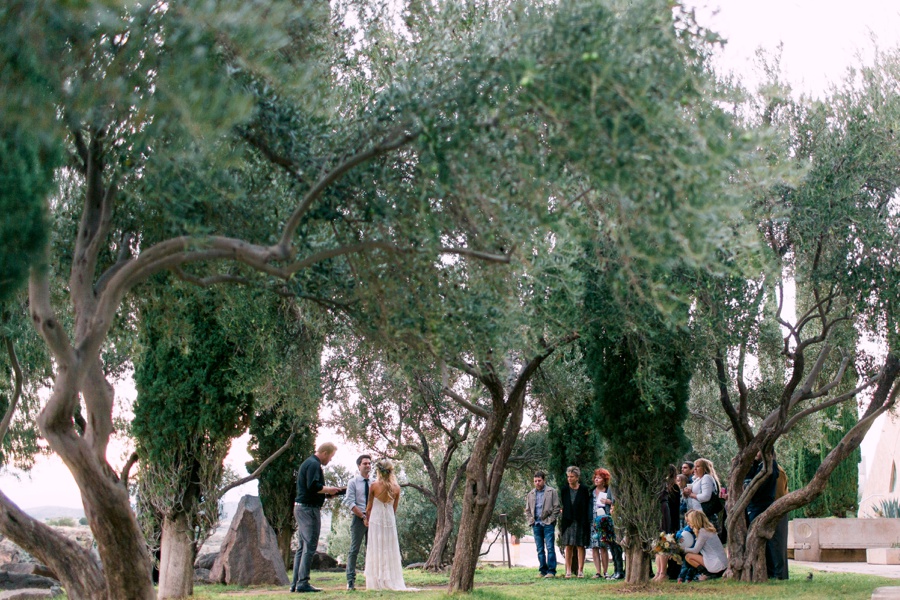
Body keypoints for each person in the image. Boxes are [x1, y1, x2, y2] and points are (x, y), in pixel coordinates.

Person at [291, 442, 342, 594]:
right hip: (308, 510)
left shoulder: (308, 463)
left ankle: (295, 583)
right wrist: (329, 489)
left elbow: (309, 489)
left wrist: (326, 494)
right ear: (325, 453)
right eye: (331, 456)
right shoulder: (314, 464)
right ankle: (303, 583)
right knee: (310, 546)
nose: (330, 460)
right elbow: (313, 486)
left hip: (300, 507)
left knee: (302, 547)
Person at [364, 458, 416, 591]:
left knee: (376, 547)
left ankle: (377, 581)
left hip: (376, 520)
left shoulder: (374, 486)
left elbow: (369, 506)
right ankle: (391, 579)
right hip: (389, 521)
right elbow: (394, 508)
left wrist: (366, 518)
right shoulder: (397, 488)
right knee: (389, 548)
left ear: (379, 471)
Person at [745, 451, 779, 578]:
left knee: (762, 538)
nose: (756, 452)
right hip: (754, 505)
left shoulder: (770, 467)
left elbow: (759, 487)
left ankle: (771, 572)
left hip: (761, 505)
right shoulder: (758, 466)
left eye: (759, 450)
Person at [343, 454, 372, 591]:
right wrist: (363, 517)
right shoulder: (353, 482)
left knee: (372, 550)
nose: (368, 465)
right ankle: (350, 581)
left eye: (369, 463)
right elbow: (350, 502)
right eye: (365, 463)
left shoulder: (374, 482)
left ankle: (372, 579)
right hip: (359, 518)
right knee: (354, 550)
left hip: (373, 520)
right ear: (359, 466)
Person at [525, 470, 560, 578]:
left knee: (550, 547)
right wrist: (531, 521)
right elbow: (527, 510)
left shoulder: (551, 491)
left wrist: (551, 519)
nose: (537, 483)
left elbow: (556, 507)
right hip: (536, 524)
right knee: (540, 549)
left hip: (548, 524)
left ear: (544, 480)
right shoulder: (530, 494)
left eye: (539, 480)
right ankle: (542, 570)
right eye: (535, 481)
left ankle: (551, 571)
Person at [558, 466, 591, 578]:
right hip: (568, 521)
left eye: (572, 476)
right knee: (568, 546)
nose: (569, 479)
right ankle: (568, 570)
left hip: (580, 521)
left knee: (580, 545)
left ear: (577, 477)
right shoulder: (564, 490)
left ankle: (580, 570)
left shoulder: (584, 490)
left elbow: (586, 505)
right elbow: (563, 504)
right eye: (568, 476)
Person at [654, 464, 682, 581]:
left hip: (667, 516)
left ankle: (663, 573)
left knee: (664, 541)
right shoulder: (661, 484)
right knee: (658, 544)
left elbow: (675, 508)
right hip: (661, 513)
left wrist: (674, 524)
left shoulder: (673, 487)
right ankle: (659, 572)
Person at [682, 510, 728, 580]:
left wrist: (682, 549)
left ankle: (707, 574)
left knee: (688, 556)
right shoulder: (707, 529)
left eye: (689, 521)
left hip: (716, 564)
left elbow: (695, 550)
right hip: (722, 563)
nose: (688, 524)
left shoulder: (703, 532)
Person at [589, 468, 615, 579]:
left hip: (604, 521)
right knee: (594, 546)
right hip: (593, 521)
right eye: (595, 477)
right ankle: (598, 572)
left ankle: (605, 571)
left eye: (599, 478)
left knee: (603, 546)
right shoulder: (591, 492)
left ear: (604, 480)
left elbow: (615, 502)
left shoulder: (608, 491)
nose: (596, 479)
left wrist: (609, 502)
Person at [684, 458, 722, 528]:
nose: (694, 469)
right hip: (697, 515)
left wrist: (691, 494)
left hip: (704, 516)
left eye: (698, 466)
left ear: (705, 468)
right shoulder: (698, 479)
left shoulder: (706, 477)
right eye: (694, 466)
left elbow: (706, 497)